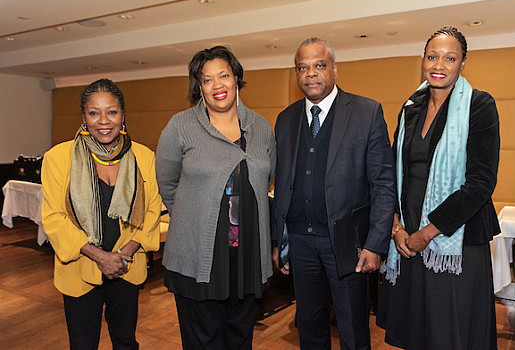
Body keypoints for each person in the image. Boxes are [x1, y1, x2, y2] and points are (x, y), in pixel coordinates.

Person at [376, 26, 500, 350]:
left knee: (449, 333)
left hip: (454, 241)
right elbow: (391, 170)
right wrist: (396, 227)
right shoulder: (410, 108)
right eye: (433, 56)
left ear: (463, 63)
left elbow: (481, 183)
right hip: (407, 237)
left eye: (449, 58)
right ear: (423, 60)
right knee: (418, 332)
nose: (439, 65)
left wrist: (427, 233)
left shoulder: (478, 105)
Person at [272, 37, 396, 350]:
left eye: (319, 65)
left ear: (334, 70)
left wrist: (375, 243)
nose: (310, 73)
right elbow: (281, 184)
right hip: (299, 241)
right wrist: (280, 242)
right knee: (309, 326)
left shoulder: (366, 112)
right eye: (302, 67)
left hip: (347, 242)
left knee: (352, 327)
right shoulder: (286, 119)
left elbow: (383, 183)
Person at [156, 46, 276, 350]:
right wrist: (192, 219)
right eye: (207, 80)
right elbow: (167, 185)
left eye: (223, 75)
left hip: (248, 257)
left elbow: (268, 179)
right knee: (203, 341)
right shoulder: (180, 126)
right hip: (199, 258)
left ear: (237, 78)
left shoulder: (261, 127)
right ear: (199, 87)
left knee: (240, 339)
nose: (217, 85)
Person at [41, 78, 161, 349]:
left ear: (123, 115)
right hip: (79, 269)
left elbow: (153, 210)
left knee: (126, 341)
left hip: (126, 268)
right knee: (83, 344)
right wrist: (101, 257)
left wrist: (124, 254)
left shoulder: (144, 157)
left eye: (112, 112)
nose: (103, 120)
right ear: (84, 117)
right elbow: (54, 217)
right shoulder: (59, 157)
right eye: (94, 112)